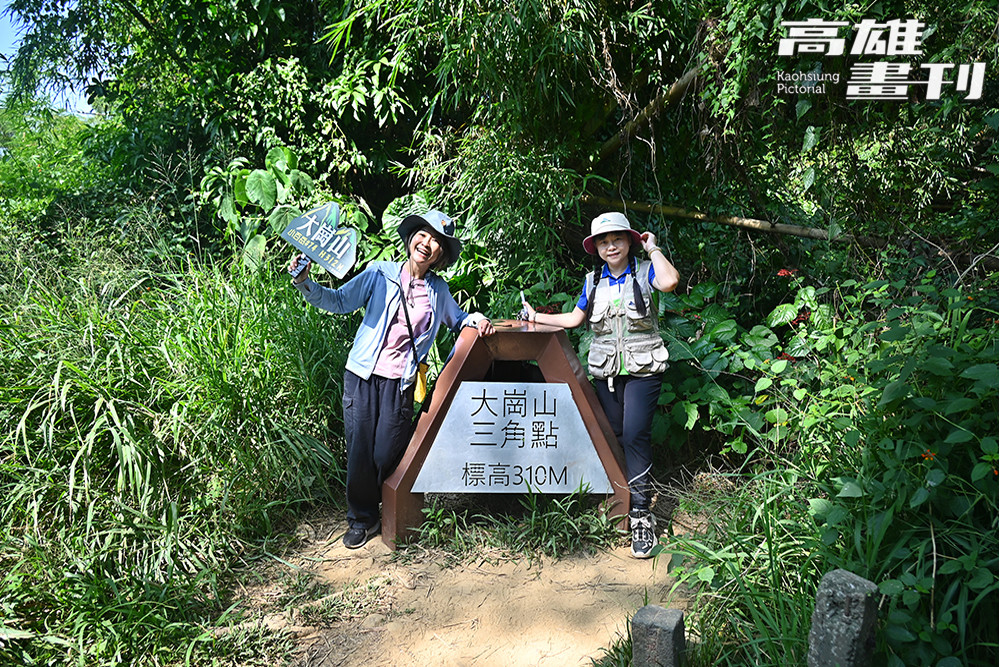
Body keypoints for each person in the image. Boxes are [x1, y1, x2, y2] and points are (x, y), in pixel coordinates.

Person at [289, 209, 495, 549]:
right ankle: (362, 519)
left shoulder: (437, 290)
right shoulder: (380, 273)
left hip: (400, 382)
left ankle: (387, 503)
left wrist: (476, 319)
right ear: (412, 237)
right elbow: (340, 301)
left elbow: (457, 320)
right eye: (424, 235)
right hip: (362, 375)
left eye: (437, 242)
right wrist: (304, 283)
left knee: (387, 451)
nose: (427, 244)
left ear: (441, 254)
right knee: (359, 451)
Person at [521, 212, 679, 558]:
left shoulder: (645, 270)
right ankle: (623, 498)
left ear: (629, 241)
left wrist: (652, 248)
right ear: (597, 248)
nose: (611, 246)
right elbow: (575, 320)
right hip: (606, 373)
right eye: (604, 242)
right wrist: (536, 318)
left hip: (643, 370)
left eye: (617, 239)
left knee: (636, 433)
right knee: (618, 435)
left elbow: (669, 282)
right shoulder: (593, 282)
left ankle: (640, 514)